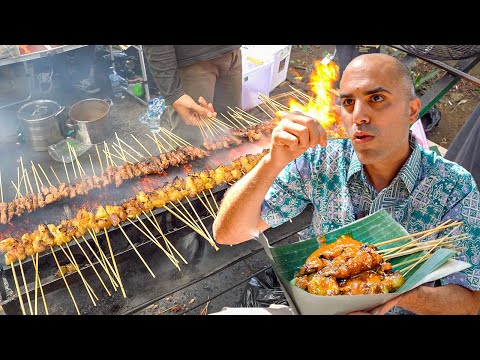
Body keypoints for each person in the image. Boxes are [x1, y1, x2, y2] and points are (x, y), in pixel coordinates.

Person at [212, 53, 480, 315]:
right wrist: (272, 161)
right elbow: (229, 234)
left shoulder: (452, 187)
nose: (359, 116)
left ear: (411, 111)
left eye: (377, 99)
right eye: (348, 102)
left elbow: (470, 300)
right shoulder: (321, 160)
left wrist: (399, 294)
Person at [143, 45, 242, 146]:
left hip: (232, 53)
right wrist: (173, 93)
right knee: (192, 143)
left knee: (233, 133)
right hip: (191, 63)